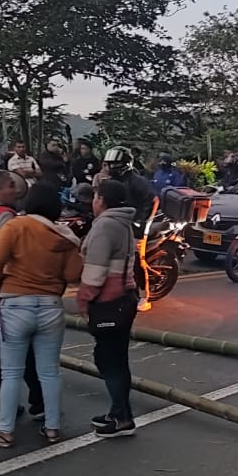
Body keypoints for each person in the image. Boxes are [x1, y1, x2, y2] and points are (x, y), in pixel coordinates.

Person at [0, 181, 82, 447]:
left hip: (15, 305)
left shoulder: (16, 226)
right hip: (50, 307)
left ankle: (4, 431)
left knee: (12, 372)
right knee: (49, 372)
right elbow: (73, 275)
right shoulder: (65, 236)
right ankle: (52, 428)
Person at [0, 170, 45, 419]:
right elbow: (11, 254)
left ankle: (9, 397)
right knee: (23, 347)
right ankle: (37, 400)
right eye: (9, 186)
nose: (16, 189)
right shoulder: (5, 217)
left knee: (6, 345)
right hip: (9, 289)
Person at [78, 179, 142, 438]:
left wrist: (84, 299)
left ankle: (121, 417)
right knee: (117, 358)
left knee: (109, 360)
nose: (93, 202)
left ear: (102, 200)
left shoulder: (105, 225)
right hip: (125, 299)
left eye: (95, 197)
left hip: (108, 301)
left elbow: (95, 270)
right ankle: (120, 412)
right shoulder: (123, 223)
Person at [103, 146, 157, 312]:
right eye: (109, 164)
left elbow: (153, 201)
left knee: (135, 261)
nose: (111, 167)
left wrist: (142, 222)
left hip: (135, 225)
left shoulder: (138, 182)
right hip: (117, 223)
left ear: (125, 164)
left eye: (115, 164)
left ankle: (144, 296)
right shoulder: (111, 181)